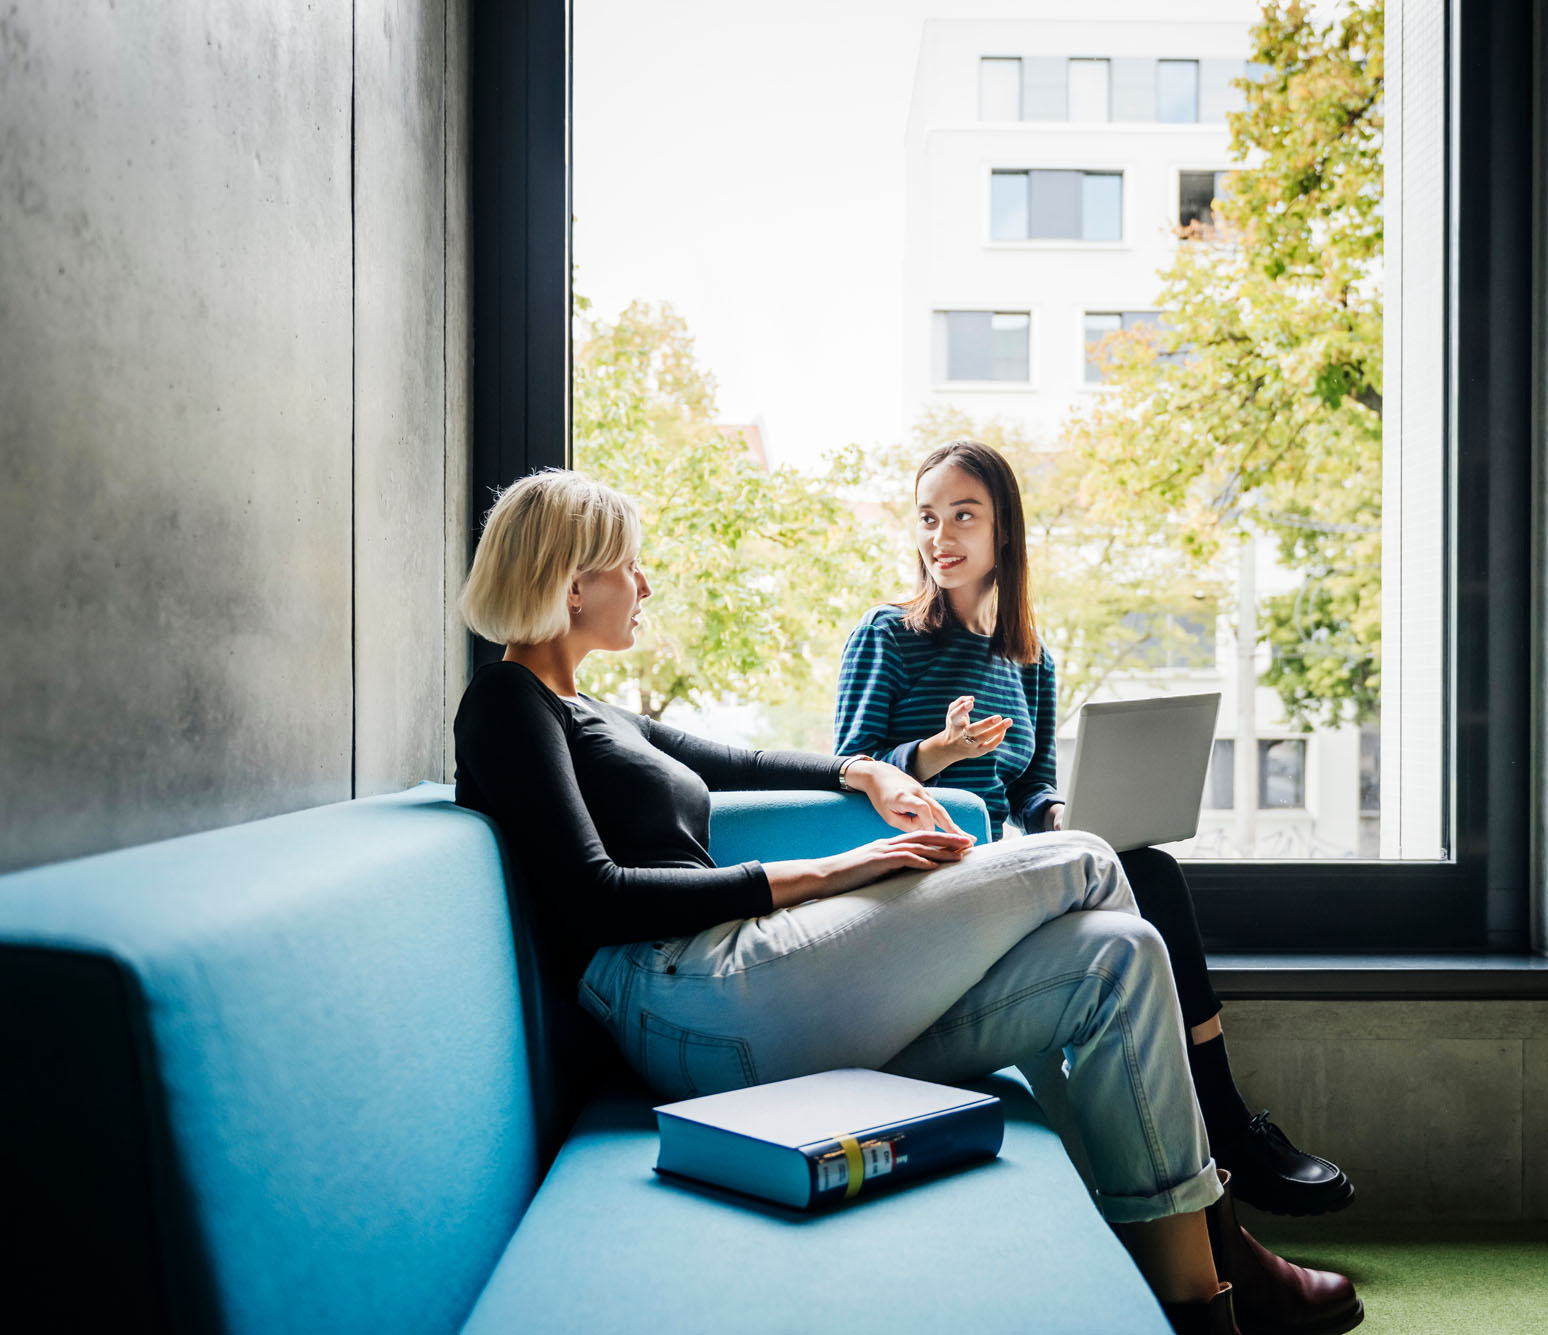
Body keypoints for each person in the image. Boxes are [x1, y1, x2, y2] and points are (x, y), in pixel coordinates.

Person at [450, 469, 1362, 1335]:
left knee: (1118, 958)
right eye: (628, 566)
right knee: (1084, 858)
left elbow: (747, 761)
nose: (644, 583)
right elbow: (595, 897)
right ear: (573, 585)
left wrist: (871, 772)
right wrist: (845, 868)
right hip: (686, 997)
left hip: (743, 993)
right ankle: (1219, 1220)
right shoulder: (506, 702)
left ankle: (1203, 1294)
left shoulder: (592, 708)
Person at [835, 439, 1354, 1218]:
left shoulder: (1030, 659)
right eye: (928, 518)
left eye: (963, 516)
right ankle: (1227, 1130)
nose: (940, 537)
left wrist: (1062, 819)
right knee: (1148, 883)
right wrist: (935, 752)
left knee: (1148, 868)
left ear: (1003, 529)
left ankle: (1220, 1126)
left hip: (994, 871)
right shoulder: (889, 635)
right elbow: (843, 768)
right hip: (917, 883)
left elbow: (1032, 788)